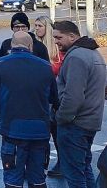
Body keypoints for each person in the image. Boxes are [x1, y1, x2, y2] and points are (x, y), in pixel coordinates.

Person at [0, 31, 59, 188]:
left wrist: (0, 116)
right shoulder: (46, 67)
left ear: (11, 45)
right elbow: (54, 99)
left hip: (13, 129)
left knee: (13, 178)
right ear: (31, 45)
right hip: (40, 131)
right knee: (38, 178)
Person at [52, 20, 106, 188]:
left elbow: (73, 96)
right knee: (83, 169)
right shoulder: (94, 54)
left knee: (74, 174)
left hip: (74, 124)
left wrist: (60, 118)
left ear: (72, 36)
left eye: (59, 37)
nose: (56, 41)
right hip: (90, 122)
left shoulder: (76, 57)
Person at [34, 15, 64, 177]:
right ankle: (39, 164)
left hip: (51, 95)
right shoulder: (34, 45)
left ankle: (61, 161)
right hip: (38, 95)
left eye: (40, 25)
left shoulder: (55, 49)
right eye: (36, 25)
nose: (37, 28)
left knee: (55, 131)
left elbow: (57, 70)